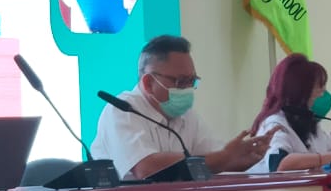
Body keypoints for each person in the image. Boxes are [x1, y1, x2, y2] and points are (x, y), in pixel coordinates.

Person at [92, 34, 279, 180]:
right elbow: (146, 168)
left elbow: (212, 159)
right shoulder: (122, 110)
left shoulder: (186, 115)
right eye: (181, 81)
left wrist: (242, 159)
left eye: (192, 81)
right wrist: (223, 158)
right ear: (149, 83)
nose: (188, 89)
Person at [248, 54, 331, 172]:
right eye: (319, 87)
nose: (323, 93)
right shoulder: (275, 124)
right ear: (299, 90)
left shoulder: (311, 127)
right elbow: (279, 164)